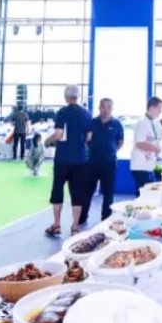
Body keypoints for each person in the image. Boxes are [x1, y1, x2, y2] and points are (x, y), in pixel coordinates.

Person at [44, 85, 92, 237]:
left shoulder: (63, 112)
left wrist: (47, 141)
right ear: (78, 96)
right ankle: (75, 226)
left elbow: (58, 134)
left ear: (65, 97)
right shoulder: (86, 113)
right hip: (80, 160)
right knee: (77, 193)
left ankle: (57, 225)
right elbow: (89, 137)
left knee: (57, 190)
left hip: (63, 159)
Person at [87, 98, 123, 222]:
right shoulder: (92, 123)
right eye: (103, 107)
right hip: (92, 162)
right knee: (87, 191)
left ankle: (106, 218)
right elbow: (87, 140)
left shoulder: (117, 124)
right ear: (99, 108)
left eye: (109, 107)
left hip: (110, 163)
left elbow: (120, 142)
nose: (106, 110)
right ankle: (82, 217)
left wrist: (111, 151)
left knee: (108, 192)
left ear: (112, 109)